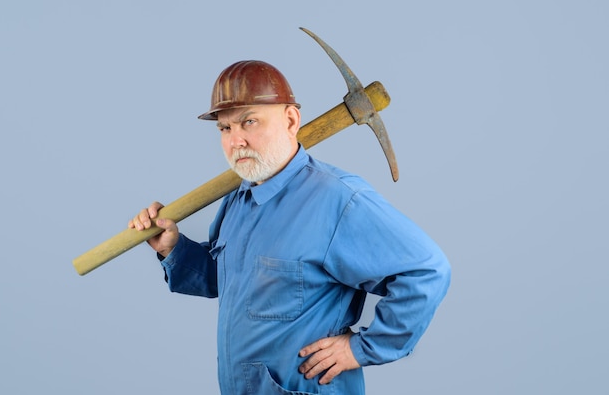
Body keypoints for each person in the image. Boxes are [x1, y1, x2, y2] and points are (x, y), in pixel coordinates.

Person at [129, 60, 451, 394]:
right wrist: (172, 247)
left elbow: (428, 270)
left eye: (248, 122)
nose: (235, 141)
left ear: (291, 120)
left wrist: (361, 349)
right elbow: (224, 279)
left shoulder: (337, 200)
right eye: (225, 129)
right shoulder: (239, 198)